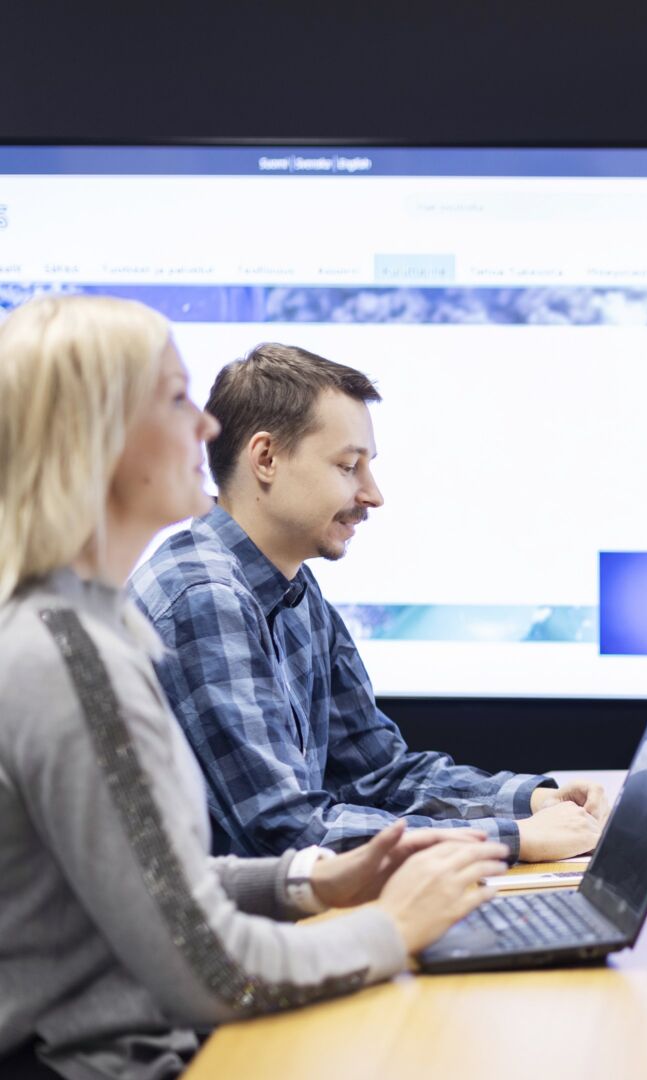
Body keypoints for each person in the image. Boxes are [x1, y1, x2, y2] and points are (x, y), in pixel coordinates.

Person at [0, 296, 510, 1079]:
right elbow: (212, 969)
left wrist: (308, 881)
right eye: (176, 400)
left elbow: (154, 875)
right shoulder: (70, 655)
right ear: (95, 435)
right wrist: (393, 927)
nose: (207, 432)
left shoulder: (87, 625)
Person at [128, 343, 604, 862]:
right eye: (348, 466)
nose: (373, 495)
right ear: (265, 458)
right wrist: (514, 840)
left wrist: (531, 801)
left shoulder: (292, 589)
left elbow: (378, 775)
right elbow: (290, 831)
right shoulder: (206, 598)